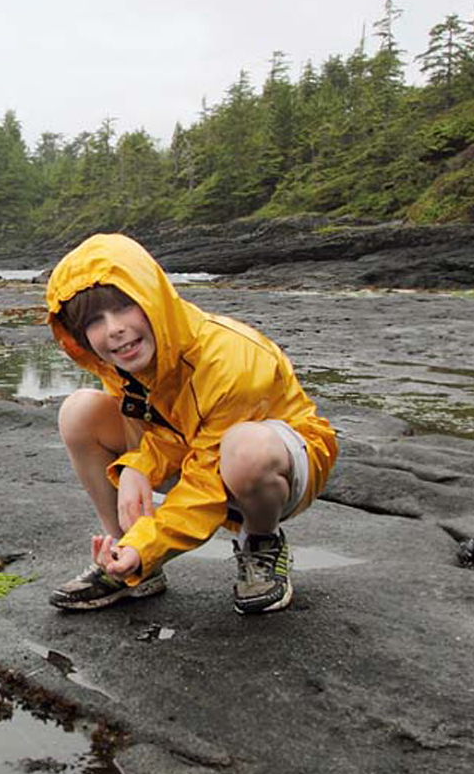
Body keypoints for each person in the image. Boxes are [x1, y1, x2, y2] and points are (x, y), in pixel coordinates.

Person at [44, 233, 338, 614]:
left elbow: (208, 475)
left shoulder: (229, 358)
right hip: (196, 448)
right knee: (79, 412)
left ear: (153, 297)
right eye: (95, 321)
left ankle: (262, 543)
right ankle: (124, 562)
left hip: (278, 463)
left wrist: (150, 543)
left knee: (244, 450)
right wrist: (137, 467)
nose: (114, 329)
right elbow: (166, 431)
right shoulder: (125, 359)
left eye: (124, 307)